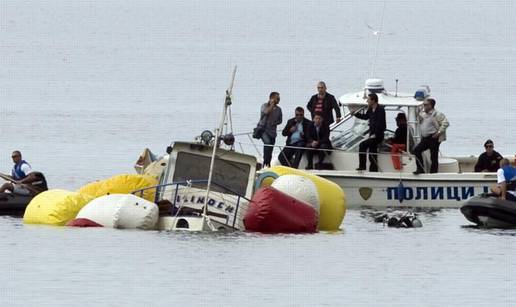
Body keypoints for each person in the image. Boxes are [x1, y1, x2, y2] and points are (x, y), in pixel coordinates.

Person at [413, 98, 449, 174]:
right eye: (424, 105)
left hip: (433, 138)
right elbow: (420, 121)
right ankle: (420, 169)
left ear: (431, 106)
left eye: (426, 105)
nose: (424, 106)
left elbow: (445, 123)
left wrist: (438, 133)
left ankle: (433, 173)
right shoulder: (423, 114)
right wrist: (417, 114)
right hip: (425, 138)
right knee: (416, 150)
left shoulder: (437, 114)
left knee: (433, 156)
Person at [353, 93, 386, 172]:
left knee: (362, 145)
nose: (367, 101)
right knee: (372, 153)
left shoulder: (380, 110)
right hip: (372, 135)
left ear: (373, 100)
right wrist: (356, 114)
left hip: (378, 135)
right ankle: (373, 170)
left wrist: (375, 134)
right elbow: (365, 117)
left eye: (368, 99)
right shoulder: (370, 109)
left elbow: (381, 124)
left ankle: (362, 166)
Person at [259, 92, 282, 168]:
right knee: (267, 143)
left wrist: (275, 122)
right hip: (264, 130)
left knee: (270, 148)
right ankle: (265, 163)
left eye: (279, 98)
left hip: (273, 132)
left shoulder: (279, 109)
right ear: (272, 98)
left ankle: (268, 163)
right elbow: (266, 112)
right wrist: (271, 105)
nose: (279, 100)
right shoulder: (264, 106)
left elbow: (280, 120)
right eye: (277, 98)